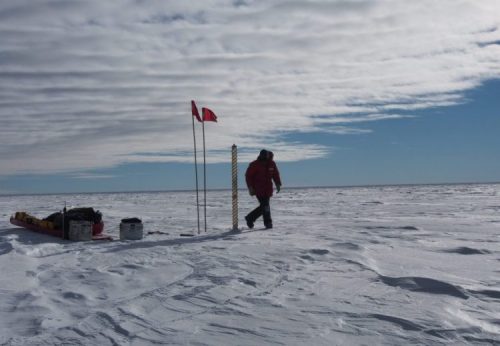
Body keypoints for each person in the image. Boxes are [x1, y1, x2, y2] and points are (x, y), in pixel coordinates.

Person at [245, 149, 282, 229]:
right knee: (265, 206)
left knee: (265, 206)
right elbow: (248, 176)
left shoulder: (272, 164)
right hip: (258, 189)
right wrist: (250, 187)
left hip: (267, 189)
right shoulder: (254, 164)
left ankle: (250, 218)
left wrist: (278, 183)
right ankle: (267, 223)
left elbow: (275, 174)